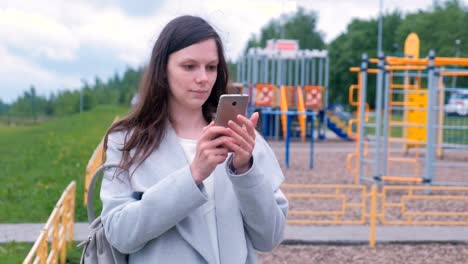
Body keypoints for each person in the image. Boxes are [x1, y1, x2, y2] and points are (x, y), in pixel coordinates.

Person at [100, 15, 288, 263]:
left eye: (211, 67)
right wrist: (193, 175)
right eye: (189, 66)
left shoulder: (242, 139)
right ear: (163, 70)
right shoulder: (127, 141)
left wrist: (245, 171)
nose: (203, 78)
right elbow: (120, 234)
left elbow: (269, 238)